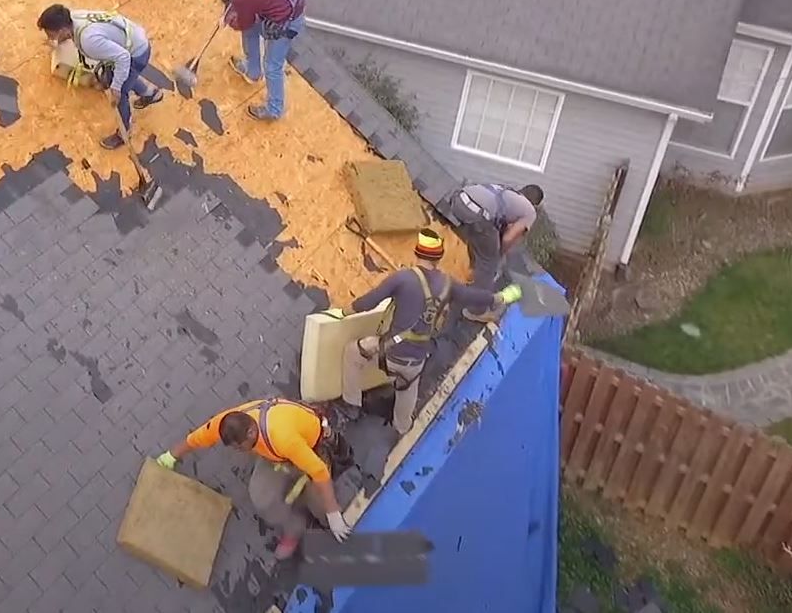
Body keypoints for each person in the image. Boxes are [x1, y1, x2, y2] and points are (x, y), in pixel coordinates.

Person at [334, 229, 523, 433]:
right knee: (407, 391)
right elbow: (475, 296)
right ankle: (402, 426)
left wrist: (342, 312)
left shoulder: (403, 278)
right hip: (416, 363)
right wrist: (501, 297)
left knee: (354, 352)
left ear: (417, 253)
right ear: (439, 257)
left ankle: (352, 405)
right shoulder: (449, 285)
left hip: (389, 353)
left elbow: (369, 302)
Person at [156, 396, 350, 559]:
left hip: (311, 449)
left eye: (239, 447)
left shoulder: (283, 438)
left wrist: (333, 514)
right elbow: (197, 438)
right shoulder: (229, 422)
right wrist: (171, 456)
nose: (238, 451)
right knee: (261, 496)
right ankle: (294, 528)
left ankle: (336, 527)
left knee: (320, 502)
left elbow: (319, 472)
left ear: (251, 432)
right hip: (278, 457)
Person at [36, 4, 164, 149]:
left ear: (63, 30)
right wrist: (58, 41)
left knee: (121, 91)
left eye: (51, 34)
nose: (50, 38)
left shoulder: (89, 40)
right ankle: (151, 94)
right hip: (131, 37)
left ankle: (124, 133)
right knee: (123, 76)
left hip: (135, 53)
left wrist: (116, 88)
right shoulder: (73, 17)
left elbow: (123, 58)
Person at [204, 0, 307, 121]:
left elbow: (245, 22)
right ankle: (252, 71)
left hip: (288, 22)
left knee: (273, 66)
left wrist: (229, 20)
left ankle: (274, 111)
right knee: (251, 31)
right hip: (292, 3)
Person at [439, 183, 543, 290]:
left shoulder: (507, 191)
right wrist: (498, 254)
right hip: (475, 213)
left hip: (458, 198)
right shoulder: (530, 212)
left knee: (480, 239)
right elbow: (508, 238)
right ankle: (475, 299)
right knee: (489, 262)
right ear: (535, 204)